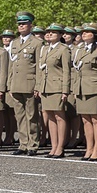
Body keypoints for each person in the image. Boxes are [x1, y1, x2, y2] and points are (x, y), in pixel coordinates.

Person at [8, 11, 44, 156]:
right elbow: (12, 65)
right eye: (19, 24)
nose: (21, 26)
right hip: (16, 84)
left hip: (30, 83)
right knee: (20, 115)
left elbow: (39, 66)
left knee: (32, 115)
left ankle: (33, 144)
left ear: (31, 25)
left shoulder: (37, 42)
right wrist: (10, 84)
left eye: (24, 24)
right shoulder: (14, 43)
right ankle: (23, 143)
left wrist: (38, 85)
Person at [36, 23, 71, 158]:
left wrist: (65, 90)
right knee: (50, 116)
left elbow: (66, 71)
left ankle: (60, 147)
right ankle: (54, 145)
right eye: (48, 32)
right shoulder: (44, 49)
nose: (49, 34)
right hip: (45, 87)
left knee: (59, 116)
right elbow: (41, 70)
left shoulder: (63, 49)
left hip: (57, 86)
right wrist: (39, 87)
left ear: (61, 35)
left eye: (54, 32)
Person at [72, 23, 97, 161]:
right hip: (81, 88)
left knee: (96, 120)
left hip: (94, 88)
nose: (83, 34)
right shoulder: (81, 50)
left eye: (87, 32)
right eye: (82, 32)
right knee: (85, 120)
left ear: (95, 34)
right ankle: (89, 148)